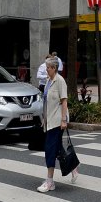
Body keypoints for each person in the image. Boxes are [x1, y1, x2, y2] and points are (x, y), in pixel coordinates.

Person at [37, 56, 79, 192]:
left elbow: (64, 101)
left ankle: (50, 182)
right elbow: (46, 102)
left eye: (48, 67)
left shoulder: (60, 81)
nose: (46, 69)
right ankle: (73, 166)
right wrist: (44, 118)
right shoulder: (48, 81)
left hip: (57, 121)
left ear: (54, 68)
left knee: (49, 149)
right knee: (57, 148)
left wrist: (63, 120)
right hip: (49, 121)